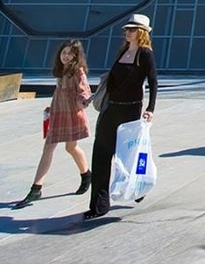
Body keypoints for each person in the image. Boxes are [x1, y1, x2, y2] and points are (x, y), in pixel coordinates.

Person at [85, 14, 158, 220]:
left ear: (142, 33)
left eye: (132, 30)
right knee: (101, 155)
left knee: (129, 157)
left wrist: (150, 109)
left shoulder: (145, 54)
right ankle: (99, 205)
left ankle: (139, 187)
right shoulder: (122, 51)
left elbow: (153, 82)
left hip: (131, 111)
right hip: (112, 109)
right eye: (127, 29)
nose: (127, 32)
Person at [14, 39, 92, 208]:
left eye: (70, 53)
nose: (66, 56)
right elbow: (59, 92)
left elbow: (84, 91)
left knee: (70, 148)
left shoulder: (78, 72)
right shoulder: (61, 71)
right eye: (63, 52)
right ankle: (36, 188)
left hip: (72, 115)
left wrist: (85, 100)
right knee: (48, 148)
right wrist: (52, 107)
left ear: (76, 56)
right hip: (58, 114)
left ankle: (86, 175)